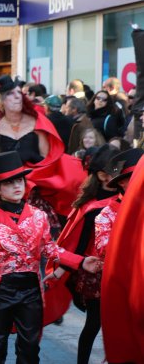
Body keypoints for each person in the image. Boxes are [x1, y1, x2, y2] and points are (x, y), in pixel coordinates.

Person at [0, 151, 101, 363]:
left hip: (30, 290)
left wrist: (81, 262)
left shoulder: (38, 216)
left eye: (20, 180)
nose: (17, 186)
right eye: (9, 183)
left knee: (30, 349)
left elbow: (50, 249)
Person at [0, 75, 85, 233]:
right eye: (10, 94)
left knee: (40, 236)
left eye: (18, 92)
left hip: (33, 189)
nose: (16, 97)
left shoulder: (37, 122)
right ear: (1, 100)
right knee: (3, 235)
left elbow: (47, 159)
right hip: (4, 191)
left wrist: (41, 181)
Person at [42, 144, 119, 364]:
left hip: (121, 270)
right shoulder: (91, 207)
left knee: (117, 321)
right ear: (100, 174)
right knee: (94, 323)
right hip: (95, 271)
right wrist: (59, 272)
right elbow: (78, 244)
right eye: (109, 172)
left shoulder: (127, 198)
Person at [99, 149, 144, 363]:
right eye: (128, 178)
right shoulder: (106, 213)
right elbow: (106, 251)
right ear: (122, 183)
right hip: (117, 281)